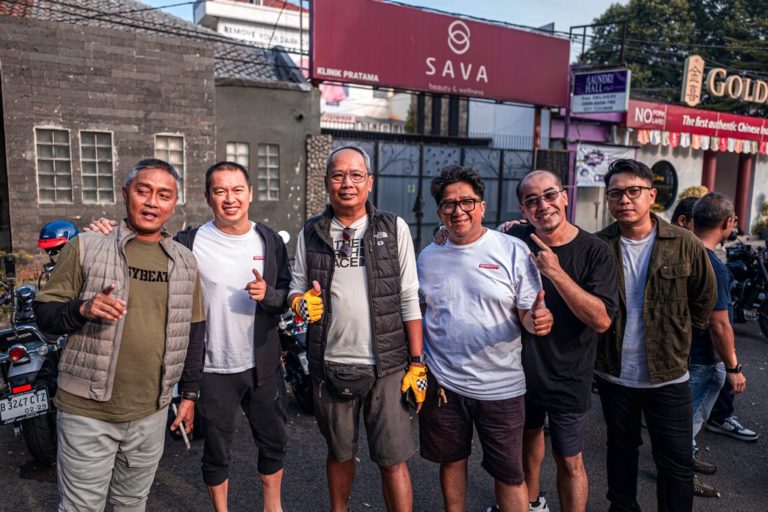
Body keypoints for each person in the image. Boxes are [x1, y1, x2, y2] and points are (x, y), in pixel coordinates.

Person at [86, 161, 292, 512]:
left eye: (237, 190)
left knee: (273, 443)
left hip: (263, 365)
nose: (230, 199)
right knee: (216, 451)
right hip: (212, 368)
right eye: (220, 191)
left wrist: (269, 295)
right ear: (208, 197)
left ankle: (273, 507)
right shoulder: (188, 242)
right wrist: (110, 229)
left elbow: (285, 292)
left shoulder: (269, 239)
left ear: (250, 194)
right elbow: (145, 239)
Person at [33, 159, 205, 512]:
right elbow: (45, 315)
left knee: (132, 504)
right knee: (81, 507)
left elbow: (193, 331)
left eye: (164, 195)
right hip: (86, 410)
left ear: (174, 203)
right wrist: (82, 309)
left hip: (151, 412)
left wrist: (188, 395)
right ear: (125, 193)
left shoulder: (185, 262)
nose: (152, 202)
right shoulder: (87, 246)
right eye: (143, 191)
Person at [288, 144, 425, 512]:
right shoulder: (311, 232)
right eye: (338, 175)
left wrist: (417, 363)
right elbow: (296, 287)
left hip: (388, 366)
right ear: (326, 182)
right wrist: (299, 302)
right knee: (340, 452)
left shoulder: (393, 228)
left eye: (355, 175)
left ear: (370, 182)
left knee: (392, 459)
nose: (346, 183)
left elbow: (409, 298)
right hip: (331, 362)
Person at [418, 166, 554, 512]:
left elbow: (528, 313)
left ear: (482, 205)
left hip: (501, 386)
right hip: (444, 383)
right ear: (439, 212)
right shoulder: (428, 257)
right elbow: (421, 310)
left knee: (509, 474)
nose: (458, 211)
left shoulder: (511, 250)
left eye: (467, 202)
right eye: (449, 204)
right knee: (452, 461)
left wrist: (537, 319)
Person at [594, 158, 716, 512]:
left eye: (633, 191)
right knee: (620, 450)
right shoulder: (599, 245)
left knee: (675, 460)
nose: (624, 199)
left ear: (651, 195)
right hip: (614, 373)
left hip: (669, 375)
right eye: (615, 193)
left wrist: (677, 340)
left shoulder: (683, 242)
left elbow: (704, 298)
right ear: (608, 198)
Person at [506, 170, 618, 512]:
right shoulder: (515, 239)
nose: (543, 205)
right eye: (532, 200)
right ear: (522, 209)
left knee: (569, 458)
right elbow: (472, 239)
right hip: (520, 371)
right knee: (527, 442)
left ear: (565, 197)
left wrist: (554, 271)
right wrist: (443, 234)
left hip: (570, 372)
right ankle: (533, 503)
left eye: (550, 195)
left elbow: (602, 320)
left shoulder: (595, 251)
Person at [686, 192, 748, 497]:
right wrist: (734, 368)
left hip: (683, 351)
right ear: (728, 223)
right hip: (702, 357)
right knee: (689, 419)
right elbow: (719, 324)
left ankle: (686, 457)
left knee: (686, 417)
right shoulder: (714, 266)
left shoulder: (683, 253)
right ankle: (681, 473)